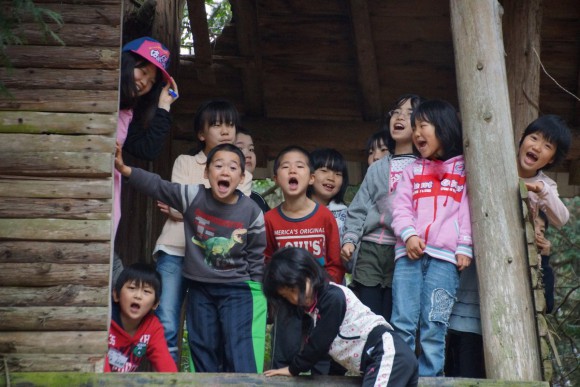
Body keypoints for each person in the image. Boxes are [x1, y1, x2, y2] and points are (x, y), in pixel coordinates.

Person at [115, 142, 267, 373]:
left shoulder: (252, 212)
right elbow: (158, 186)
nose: (225, 171)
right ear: (207, 172)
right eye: (218, 165)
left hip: (237, 289)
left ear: (242, 177)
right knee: (202, 346)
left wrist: (257, 289)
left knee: (238, 348)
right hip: (200, 287)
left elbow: (256, 254)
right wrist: (126, 170)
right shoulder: (193, 195)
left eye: (233, 167)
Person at [447, 114, 571, 377]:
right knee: (458, 331)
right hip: (476, 256)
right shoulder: (497, 165)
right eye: (534, 138)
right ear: (522, 140)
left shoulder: (546, 186)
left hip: (511, 270)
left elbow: (561, 217)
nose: (537, 147)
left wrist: (541, 191)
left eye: (547, 146)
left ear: (551, 159)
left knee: (492, 338)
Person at [152, 100, 253, 365]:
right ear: (200, 133)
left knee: (209, 333)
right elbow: (186, 205)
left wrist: (186, 206)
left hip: (211, 263)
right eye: (216, 125)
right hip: (174, 251)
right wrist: (210, 207)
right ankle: (167, 383)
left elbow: (236, 215)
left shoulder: (245, 174)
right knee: (168, 324)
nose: (225, 131)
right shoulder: (185, 161)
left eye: (230, 125)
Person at [390, 99, 472, 377]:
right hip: (408, 257)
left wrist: (464, 246)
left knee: (434, 324)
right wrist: (409, 235)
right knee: (402, 321)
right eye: (414, 127)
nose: (416, 133)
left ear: (444, 128)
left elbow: (467, 210)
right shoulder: (412, 170)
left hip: (446, 260)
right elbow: (399, 208)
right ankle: (398, 376)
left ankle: (429, 379)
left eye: (423, 125)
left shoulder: (464, 170)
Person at [263, 247, 418, 387]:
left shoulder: (332, 297)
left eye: (295, 288)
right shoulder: (312, 312)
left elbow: (318, 343)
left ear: (309, 273)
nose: (295, 298)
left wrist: (293, 368)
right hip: (379, 361)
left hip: (387, 354)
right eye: (287, 295)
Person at [341, 94, 423, 320]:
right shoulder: (377, 168)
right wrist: (349, 239)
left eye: (409, 114)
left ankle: (392, 357)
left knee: (395, 317)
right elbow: (358, 208)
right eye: (396, 112)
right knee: (368, 317)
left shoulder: (424, 168)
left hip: (403, 251)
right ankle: (371, 356)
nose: (400, 117)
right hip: (369, 249)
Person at [264, 145, 345, 374]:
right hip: (287, 300)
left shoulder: (324, 215)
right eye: (285, 166)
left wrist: (325, 292)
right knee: (284, 352)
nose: (292, 170)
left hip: (320, 296)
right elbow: (268, 261)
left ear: (310, 178)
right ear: (276, 178)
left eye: (299, 166)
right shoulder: (270, 219)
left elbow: (334, 262)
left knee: (322, 354)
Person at [112, 36, 179, 284]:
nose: (144, 83)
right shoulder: (96, 92)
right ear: (127, 61)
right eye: (142, 70)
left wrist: (164, 105)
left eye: (151, 82)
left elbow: (149, 148)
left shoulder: (128, 114)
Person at [105, 263, 177, 372]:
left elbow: (166, 367)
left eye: (146, 291)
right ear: (116, 295)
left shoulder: (152, 328)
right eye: (132, 288)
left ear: (155, 304)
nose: (138, 296)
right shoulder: (105, 321)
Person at [308, 148, 349, 238]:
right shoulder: (295, 211)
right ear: (309, 175)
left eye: (338, 174)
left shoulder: (347, 216)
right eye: (324, 171)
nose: (331, 178)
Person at [235, 126, 270, 213]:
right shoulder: (214, 195)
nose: (248, 154)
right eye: (240, 148)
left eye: (251, 149)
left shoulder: (258, 200)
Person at [535, 210, 555, 313]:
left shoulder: (540, 263)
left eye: (542, 230)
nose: (538, 232)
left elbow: (548, 306)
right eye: (534, 224)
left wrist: (544, 260)